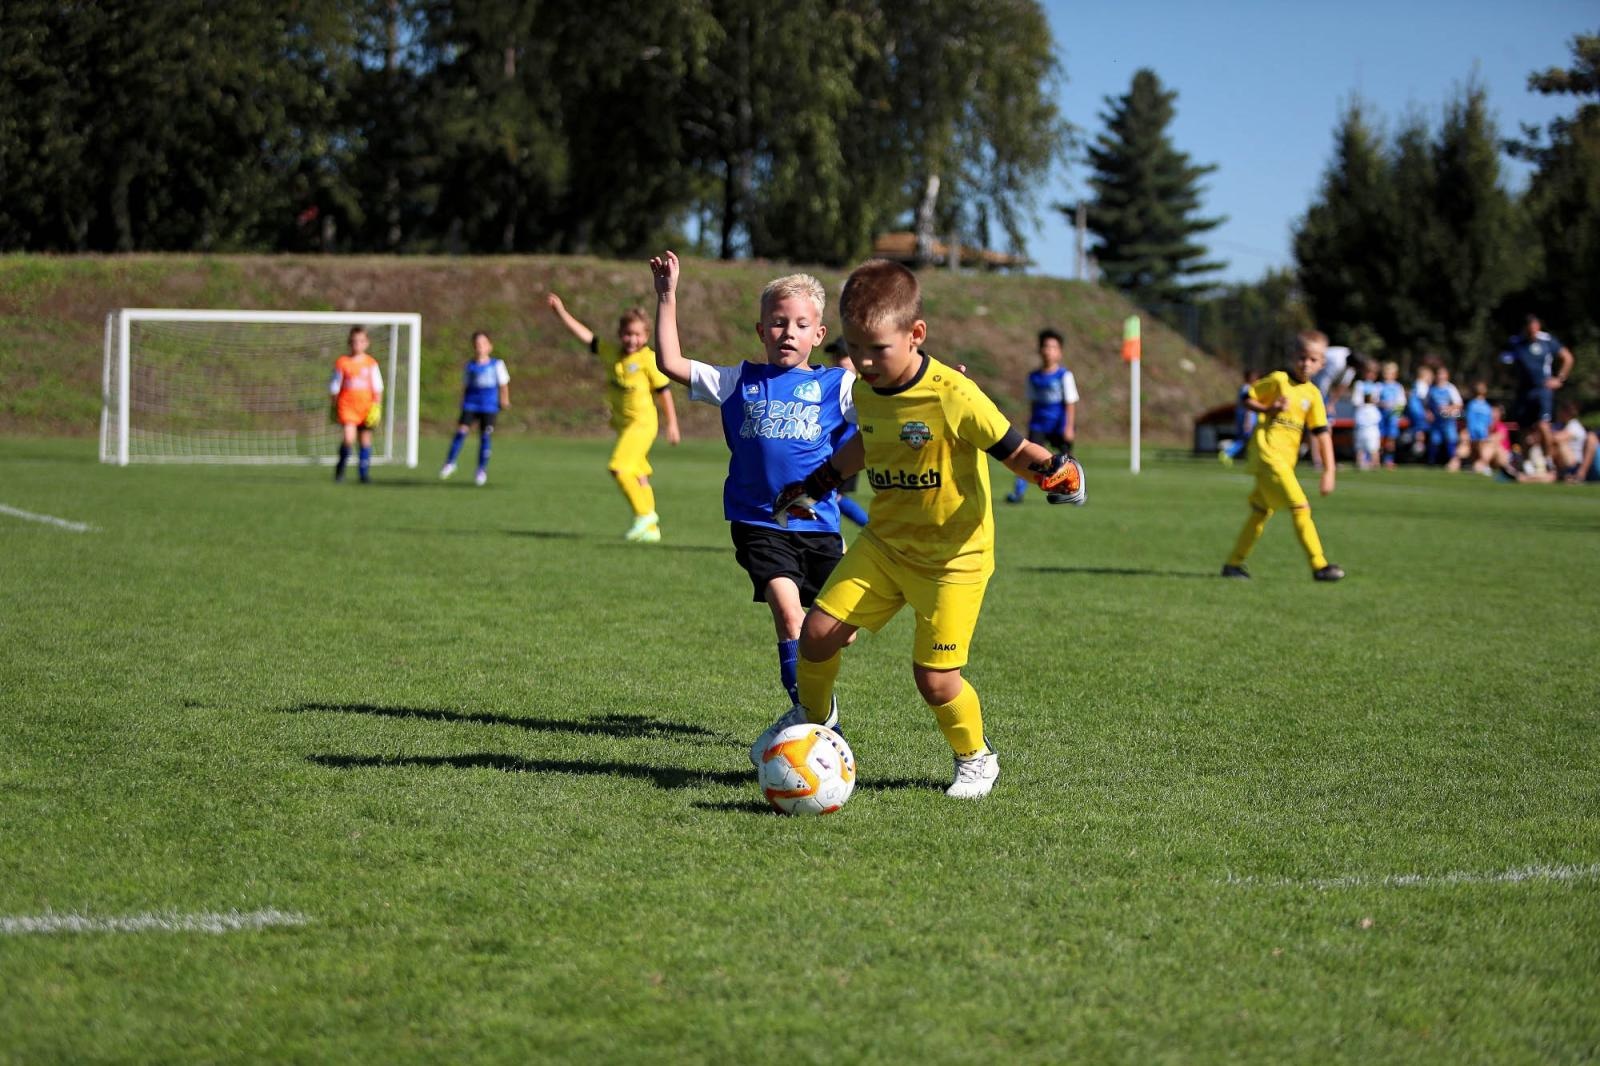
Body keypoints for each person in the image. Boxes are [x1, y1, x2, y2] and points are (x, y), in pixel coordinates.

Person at [748, 260, 1084, 799]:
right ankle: (813, 724)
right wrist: (819, 482)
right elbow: (866, 443)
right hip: (885, 546)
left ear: (916, 335)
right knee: (816, 635)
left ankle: (977, 757)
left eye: (877, 349)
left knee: (934, 679)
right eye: (855, 347)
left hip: (954, 559)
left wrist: (1056, 473)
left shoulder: (954, 394)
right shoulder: (865, 388)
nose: (863, 361)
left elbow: (1012, 449)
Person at [649, 250, 855, 706]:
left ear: (819, 334)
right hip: (760, 523)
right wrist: (667, 295)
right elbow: (670, 362)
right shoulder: (737, 380)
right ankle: (811, 711)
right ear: (762, 330)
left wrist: (934, 385)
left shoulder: (837, 387)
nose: (789, 332)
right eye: (779, 322)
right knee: (788, 614)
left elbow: (894, 399)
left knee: (839, 633)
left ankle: (814, 696)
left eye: (802, 324)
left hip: (820, 527)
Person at [547, 293, 680, 542]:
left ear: (647, 336)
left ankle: (644, 516)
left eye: (638, 335)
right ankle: (651, 530)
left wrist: (672, 423)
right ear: (620, 334)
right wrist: (562, 313)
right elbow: (586, 336)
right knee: (639, 474)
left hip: (642, 424)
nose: (632, 339)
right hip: (623, 425)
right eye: (628, 334)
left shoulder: (648, 359)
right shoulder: (611, 352)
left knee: (618, 467)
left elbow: (664, 391)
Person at [1221, 330, 1344, 582]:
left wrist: (1329, 471)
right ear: (1292, 357)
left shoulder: (1313, 395)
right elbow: (1247, 397)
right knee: (1301, 506)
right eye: (1302, 358)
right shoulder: (1278, 380)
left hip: (1286, 462)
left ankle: (1233, 564)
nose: (1306, 364)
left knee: (1260, 511)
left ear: (1322, 363)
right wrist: (1268, 407)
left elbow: (1322, 433)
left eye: (1313, 360)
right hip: (1268, 456)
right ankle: (1319, 565)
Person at [1006, 328, 1078, 501]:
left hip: (1058, 424)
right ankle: (1018, 493)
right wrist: (1030, 422)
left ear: (1060, 352)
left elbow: (1070, 403)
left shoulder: (1064, 376)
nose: (1049, 351)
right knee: (1028, 458)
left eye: (1053, 347)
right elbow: (1033, 402)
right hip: (1038, 424)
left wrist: (1068, 427)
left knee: (1067, 461)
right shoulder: (1033, 377)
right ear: (1040, 350)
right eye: (1046, 346)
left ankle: (1075, 491)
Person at [1500, 314, 1574, 468]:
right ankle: (1525, 463)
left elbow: (1567, 358)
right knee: (1524, 428)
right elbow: (1504, 361)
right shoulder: (1517, 343)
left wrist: (1559, 379)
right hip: (1524, 391)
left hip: (1542, 390)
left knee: (1543, 424)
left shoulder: (1547, 341)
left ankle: (1548, 460)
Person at [440, 331, 510, 486]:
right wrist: (463, 401)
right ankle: (450, 462)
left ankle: (481, 469)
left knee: (485, 436)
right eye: (477, 344)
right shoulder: (470, 366)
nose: (480, 347)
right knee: (461, 431)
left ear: (490, 346)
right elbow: (465, 385)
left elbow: (503, 384)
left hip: (489, 405)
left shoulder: (496, 364)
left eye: (483, 343)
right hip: (471, 404)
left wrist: (504, 400)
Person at [329, 325, 384, 483]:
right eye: (354, 341)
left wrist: (376, 407)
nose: (357, 344)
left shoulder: (371, 363)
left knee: (365, 440)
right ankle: (341, 469)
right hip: (347, 407)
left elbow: (377, 387)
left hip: (366, 407)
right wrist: (334, 405)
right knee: (348, 438)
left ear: (367, 343)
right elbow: (335, 386)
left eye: (361, 341)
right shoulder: (343, 362)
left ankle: (363, 474)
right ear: (349, 343)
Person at [1218, 369, 1262, 466]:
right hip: (1247, 416)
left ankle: (1229, 454)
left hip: (1241, 415)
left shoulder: (1243, 388)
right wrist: (1248, 421)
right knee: (1245, 439)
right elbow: (1248, 406)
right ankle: (1228, 453)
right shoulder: (1248, 389)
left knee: (1243, 438)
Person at [1426, 365, 1464, 469]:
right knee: (1435, 441)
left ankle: (1452, 461)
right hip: (1436, 421)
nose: (1441, 376)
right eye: (1439, 374)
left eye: (1443, 374)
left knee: (1451, 440)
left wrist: (1448, 408)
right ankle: (1431, 462)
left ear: (1447, 376)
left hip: (1448, 420)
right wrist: (1429, 413)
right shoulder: (1432, 389)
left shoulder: (1450, 388)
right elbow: (1428, 404)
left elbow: (1458, 404)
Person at [1377, 361, 1407, 468]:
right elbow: (1375, 400)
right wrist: (1381, 404)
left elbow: (1402, 402)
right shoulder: (1379, 386)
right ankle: (1376, 458)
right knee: (1380, 438)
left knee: (1391, 439)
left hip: (1392, 417)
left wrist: (1395, 414)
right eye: (1386, 373)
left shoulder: (1398, 387)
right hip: (1381, 416)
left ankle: (1388, 459)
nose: (1388, 375)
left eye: (1390, 373)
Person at [1405, 364, 1435, 462]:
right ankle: (1416, 443)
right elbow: (1422, 400)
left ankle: (1414, 440)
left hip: (1413, 409)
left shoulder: (1416, 384)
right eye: (1430, 377)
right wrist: (1426, 412)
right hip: (1418, 410)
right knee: (1421, 428)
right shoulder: (1422, 384)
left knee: (1418, 427)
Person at [1464, 381, 1494, 475]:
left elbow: (1489, 421)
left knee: (1481, 448)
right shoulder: (1475, 405)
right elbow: (1470, 419)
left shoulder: (1485, 406)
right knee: (1476, 449)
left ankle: (1484, 465)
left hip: (1481, 431)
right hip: (1476, 431)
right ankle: (1478, 465)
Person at [1554, 400, 1588, 477]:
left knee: (1561, 444)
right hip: (1566, 462)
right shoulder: (1562, 425)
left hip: (1575, 463)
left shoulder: (1574, 425)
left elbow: (1557, 438)